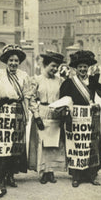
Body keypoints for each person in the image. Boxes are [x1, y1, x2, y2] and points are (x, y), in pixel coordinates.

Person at [0, 44, 31, 197]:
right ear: (6, 61)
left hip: (17, 112)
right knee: (1, 144)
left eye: (16, 61)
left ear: (19, 62)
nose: (13, 63)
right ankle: (0, 176)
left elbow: (26, 96)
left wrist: (26, 114)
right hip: (2, 112)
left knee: (15, 145)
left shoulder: (24, 76)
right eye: (11, 60)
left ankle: (11, 174)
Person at [59, 50, 101, 187]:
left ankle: (92, 175)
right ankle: (76, 176)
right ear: (76, 69)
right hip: (75, 119)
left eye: (85, 66)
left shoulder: (93, 81)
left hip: (90, 119)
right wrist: (67, 114)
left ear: (88, 68)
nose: (83, 69)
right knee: (76, 146)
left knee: (91, 146)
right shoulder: (69, 83)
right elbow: (64, 100)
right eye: (80, 67)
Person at [28, 51, 68, 184]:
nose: (55, 69)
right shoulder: (37, 80)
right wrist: (36, 115)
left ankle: (51, 171)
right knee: (43, 143)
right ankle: (43, 172)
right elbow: (32, 99)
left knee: (54, 143)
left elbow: (64, 98)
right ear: (45, 65)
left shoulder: (60, 81)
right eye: (52, 66)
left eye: (57, 67)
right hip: (43, 111)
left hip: (55, 112)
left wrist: (62, 110)